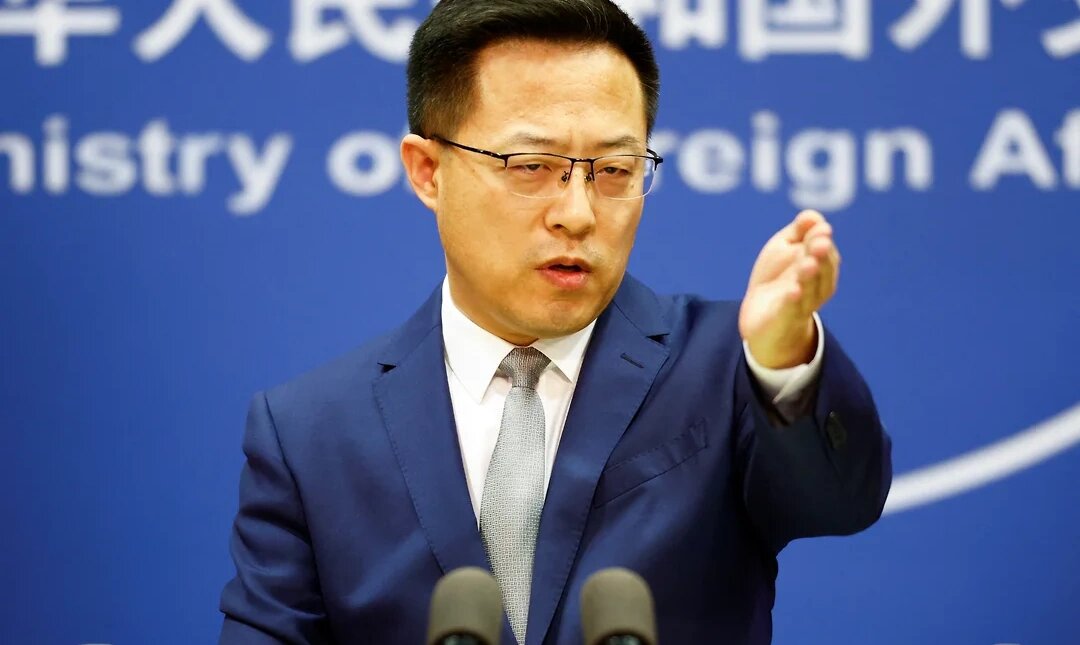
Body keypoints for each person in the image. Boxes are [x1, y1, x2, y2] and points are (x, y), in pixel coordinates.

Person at [217, 0, 892, 643]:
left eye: (614, 170)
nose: (577, 213)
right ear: (427, 171)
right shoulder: (311, 434)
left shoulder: (724, 369)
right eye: (532, 166)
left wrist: (782, 360)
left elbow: (840, 501)